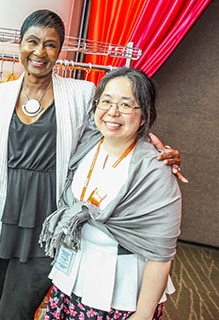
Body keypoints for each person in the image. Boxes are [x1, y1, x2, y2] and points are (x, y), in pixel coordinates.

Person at [0, 9, 182, 320]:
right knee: (4, 301)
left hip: (48, 219)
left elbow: (113, 128)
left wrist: (155, 146)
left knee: (13, 311)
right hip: (1, 217)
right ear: (19, 43)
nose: (40, 52)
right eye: (32, 41)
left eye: (50, 44)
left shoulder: (80, 93)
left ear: (60, 50)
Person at [40, 67, 181, 320]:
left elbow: (161, 255)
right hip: (70, 280)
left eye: (126, 105)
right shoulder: (87, 143)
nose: (113, 112)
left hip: (119, 295)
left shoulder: (154, 171)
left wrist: (144, 315)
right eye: (106, 101)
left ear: (144, 115)